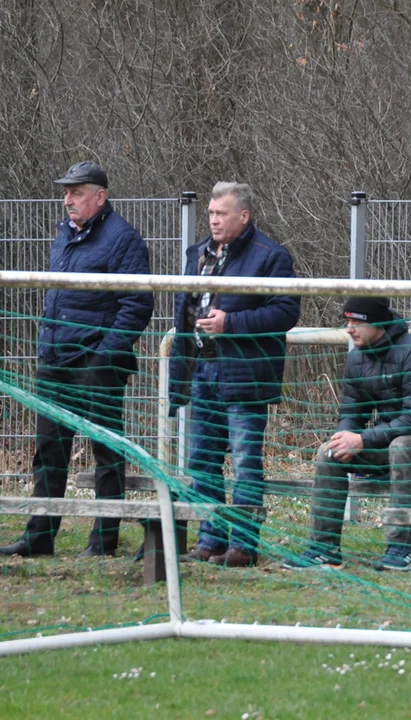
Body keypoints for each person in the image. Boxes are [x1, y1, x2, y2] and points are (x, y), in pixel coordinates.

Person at [0, 161, 153, 558]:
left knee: (106, 452)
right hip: (55, 361)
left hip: (97, 364)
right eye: (65, 192)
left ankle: (103, 542)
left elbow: (137, 304)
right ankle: (39, 537)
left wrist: (105, 355)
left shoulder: (123, 239)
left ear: (100, 197)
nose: (68, 200)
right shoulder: (64, 236)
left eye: (76, 192)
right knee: (48, 451)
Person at [285, 297, 411, 572]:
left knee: (402, 446)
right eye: (347, 322)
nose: (349, 329)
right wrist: (345, 437)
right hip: (395, 440)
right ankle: (323, 550)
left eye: (356, 322)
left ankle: (401, 550)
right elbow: (352, 411)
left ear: (378, 324)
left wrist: (364, 439)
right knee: (328, 452)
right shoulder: (356, 358)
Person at [169, 182, 301, 568]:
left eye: (221, 213)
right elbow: (185, 312)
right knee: (203, 460)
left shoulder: (271, 257)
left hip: (245, 375)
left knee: (244, 461)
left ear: (243, 216)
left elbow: (285, 313)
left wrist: (232, 323)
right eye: (210, 213)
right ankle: (210, 539)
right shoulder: (197, 254)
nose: (213, 220)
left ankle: (243, 545)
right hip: (201, 371)